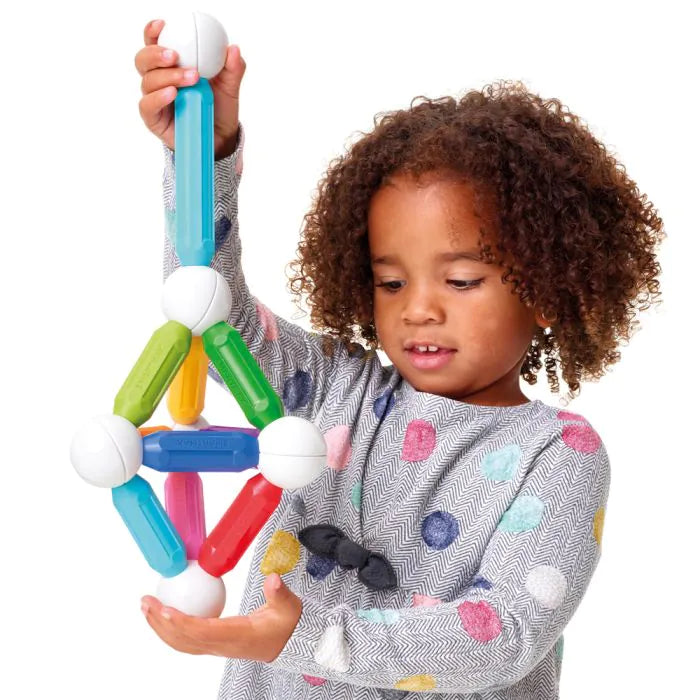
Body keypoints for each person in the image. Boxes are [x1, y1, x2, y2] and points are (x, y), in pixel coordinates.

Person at [134, 18, 665, 700]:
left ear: (546, 289)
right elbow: (208, 310)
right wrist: (201, 161)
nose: (418, 309)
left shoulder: (559, 455)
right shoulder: (332, 387)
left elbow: (504, 635)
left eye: (461, 280)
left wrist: (304, 636)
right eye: (391, 282)